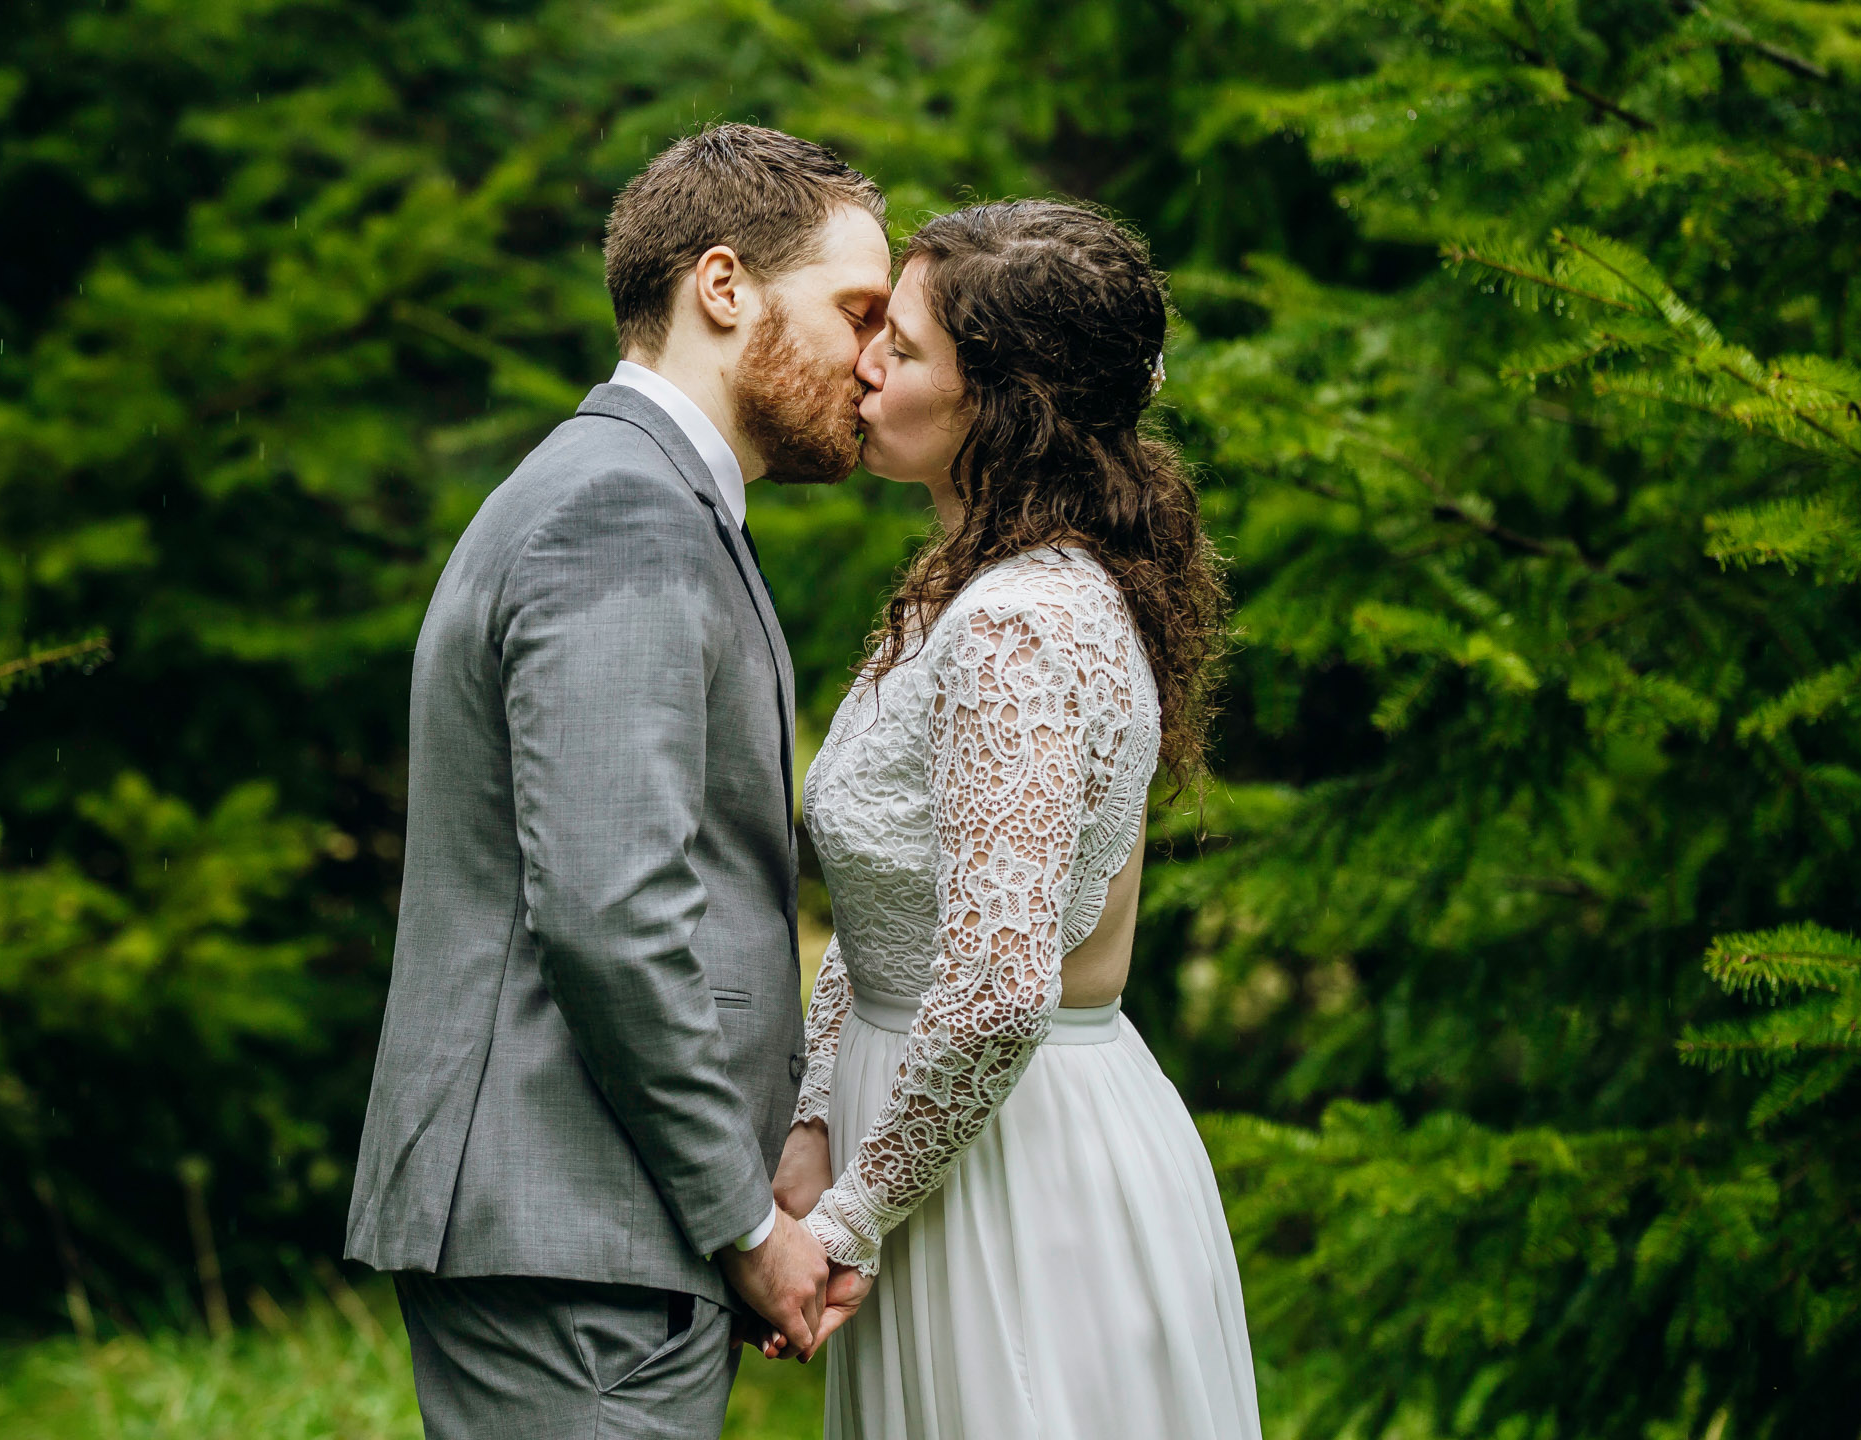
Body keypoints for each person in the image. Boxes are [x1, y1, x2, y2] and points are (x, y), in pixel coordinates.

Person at [343, 124, 892, 1440]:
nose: (875, 361)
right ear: (722, 288)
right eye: (857, 311)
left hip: (587, 1238)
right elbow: (611, 907)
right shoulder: (624, 511)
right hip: (573, 1244)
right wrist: (745, 1220)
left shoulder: (634, 495)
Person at [772, 200, 1264, 1439]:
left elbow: (997, 986)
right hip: (934, 1131)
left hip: (1012, 1167)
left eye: (908, 343)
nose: (868, 356)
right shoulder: (967, 587)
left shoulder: (1018, 628)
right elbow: (891, 914)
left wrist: (850, 1216)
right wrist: (817, 1114)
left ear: (1006, 401)